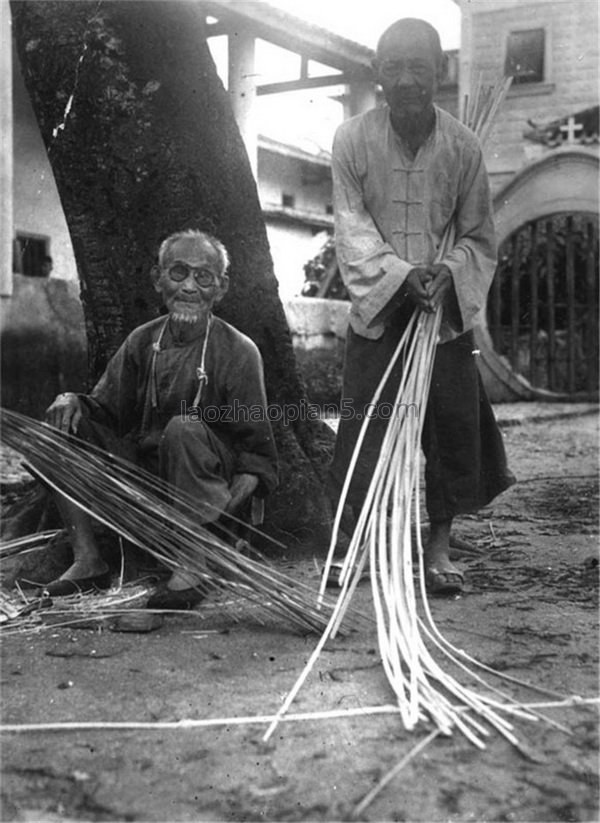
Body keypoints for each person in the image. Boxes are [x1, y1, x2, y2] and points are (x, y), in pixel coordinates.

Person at [330, 18, 514, 595]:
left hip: (443, 315)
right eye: (394, 66)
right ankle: (356, 541)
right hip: (380, 310)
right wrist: (401, 276)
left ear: (442, 70)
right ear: (377, 72)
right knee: (366, 427)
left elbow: (478, 234)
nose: (407, 79)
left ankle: (437, 544)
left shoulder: (464, 145)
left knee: (452, 426)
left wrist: (448, 273)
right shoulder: (352, 140)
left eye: (420, 66)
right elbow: (351, 226)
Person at [42, 229, 278, 608]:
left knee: (183, 427)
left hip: (205, 491)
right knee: (61, 427)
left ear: (221, 288)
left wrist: (214, 521)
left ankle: (192, 564)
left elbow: (257, 459)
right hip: (148, 480)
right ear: (157, 280)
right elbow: (103, 411)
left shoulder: (239, 351)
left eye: (204, 277)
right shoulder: (142, 340)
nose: (189, 287)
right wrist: (70, 400)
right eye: (178, 273)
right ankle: (88, 560)